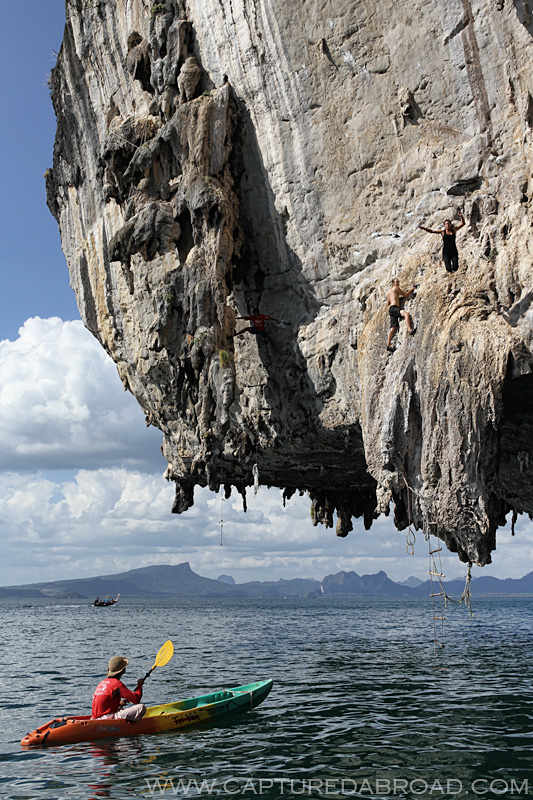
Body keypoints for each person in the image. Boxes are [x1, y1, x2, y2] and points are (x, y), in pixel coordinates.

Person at [91, 656, 146, 721]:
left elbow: (103, 703)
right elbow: (136, 699)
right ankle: (132, 726)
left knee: (120, 709)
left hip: (94, 718)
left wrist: (119, 704)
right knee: (141, 707)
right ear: (123, 670)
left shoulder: (103, 682)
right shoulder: (117, 684)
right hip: (107, 718)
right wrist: (139, 685)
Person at [386, 278, 416, 352]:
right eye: (397, 282)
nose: (398, 283)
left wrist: (395, 298)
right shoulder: (396, 288)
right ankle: (409, 330)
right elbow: (405, 295)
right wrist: (412, 288)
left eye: (398, 282)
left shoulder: (389, 291)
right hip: (395, 308)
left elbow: (388, 303)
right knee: (406, 314)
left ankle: (388, 345)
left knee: (393, 327)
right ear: (393, 283)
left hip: (391, 309)